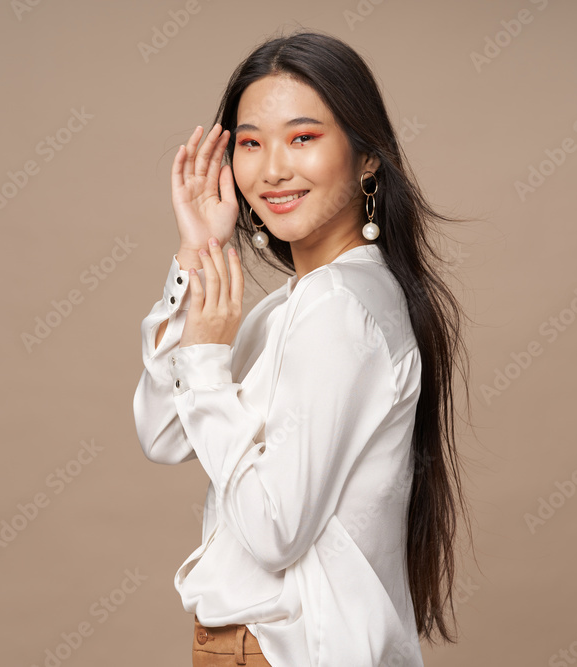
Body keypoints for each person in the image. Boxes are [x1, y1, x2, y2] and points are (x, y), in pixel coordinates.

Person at [133, 28, 477, 667]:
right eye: (250, 144)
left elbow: (274, 531)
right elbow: (163, 433)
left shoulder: (337, 306)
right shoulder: (299, 305)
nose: (272, 170)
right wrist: (198, 253)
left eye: (303, 138)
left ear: (367, 157)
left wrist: (207, 360)